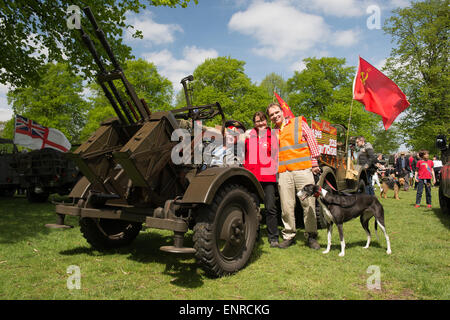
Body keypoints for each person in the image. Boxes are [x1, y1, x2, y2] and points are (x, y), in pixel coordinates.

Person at [266, 103, 321, 250]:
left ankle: (311, 236)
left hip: (302, 170)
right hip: (284, 173)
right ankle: (289, 235)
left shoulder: (298, 123)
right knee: (286, 206)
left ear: (282, 111)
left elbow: (312, 140)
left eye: (277, 112)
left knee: (308, 204)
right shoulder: (273, 132)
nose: (275, 116)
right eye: (272, 115)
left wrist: (315, 162)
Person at [244, 111, 279, 248]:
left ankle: (273, 237)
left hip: (268, 177)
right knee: (253, 208)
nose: (260, 123)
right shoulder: (248, 136)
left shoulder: (273, 136)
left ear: (267, 121)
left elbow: (276, 155)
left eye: (262, 120)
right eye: (257, 121)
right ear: (254, 123)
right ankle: (253, 236)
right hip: (252, 178)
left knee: (270, 207)